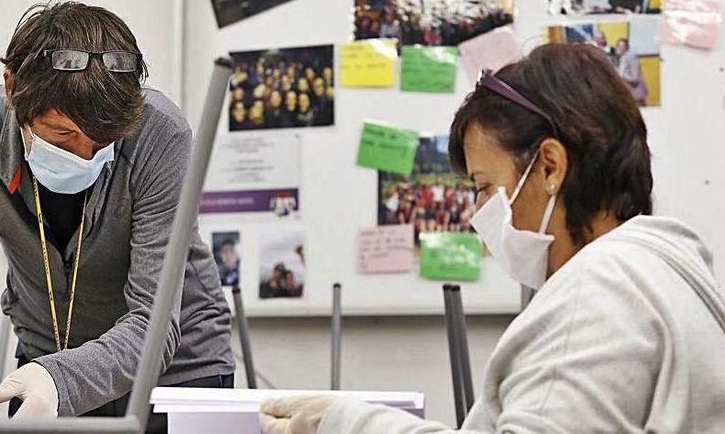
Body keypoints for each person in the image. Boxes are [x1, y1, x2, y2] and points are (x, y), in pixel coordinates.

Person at [259, 43, 725, 433]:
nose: (478, 213)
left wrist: (348, 424)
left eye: (484, 186)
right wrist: (343, 420)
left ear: (549, 167)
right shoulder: (666, 270)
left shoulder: (598, 293)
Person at [0, 1, 235, 432]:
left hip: (179, 367)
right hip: (44, 359)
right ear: (11, 88)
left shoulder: (160, 133)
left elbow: (153, 321)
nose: (86, 154)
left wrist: (58, 378)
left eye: (104, 139)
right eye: (63, 134)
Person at [615, 38, 648, 106]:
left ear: (626, 47)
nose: (618, 48)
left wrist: (621, 74)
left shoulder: (631, 57)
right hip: (630, 96)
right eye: (618, 46)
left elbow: (635, 78)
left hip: (636, 95)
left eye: (621, 46)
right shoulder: (623, 57)